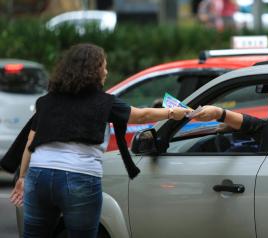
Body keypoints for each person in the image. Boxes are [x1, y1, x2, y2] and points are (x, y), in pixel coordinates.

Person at [9, 43, 190, 238]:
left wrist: (22, 177)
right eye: (104, 66)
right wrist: (172, 112)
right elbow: (142, 116)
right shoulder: (105, 102)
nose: (106, 71)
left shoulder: (47, 101)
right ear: (93, 70)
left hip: (39, 176)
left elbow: (31, 141)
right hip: (79, 176)